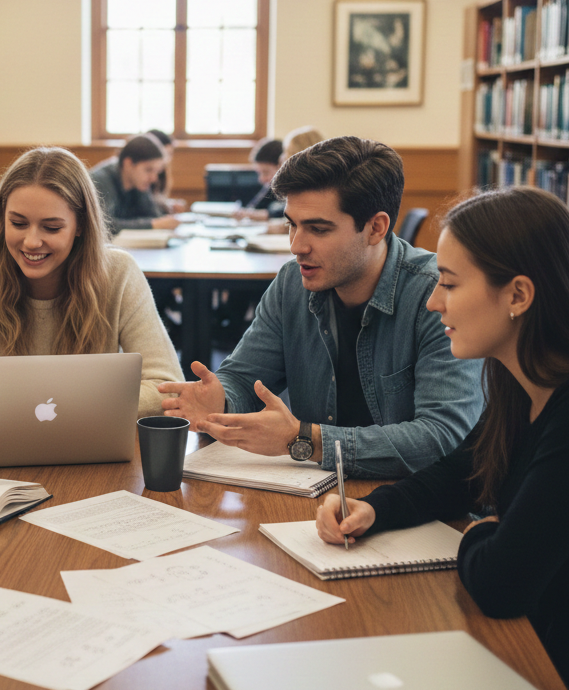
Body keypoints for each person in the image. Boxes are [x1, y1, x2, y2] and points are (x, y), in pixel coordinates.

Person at [316, 186, 569, 690]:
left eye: (450, 283)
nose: (434, 300)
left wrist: (479, 533)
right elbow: (465, 471)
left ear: (518, 296)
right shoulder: (518, 382)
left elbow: (503, 585)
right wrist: (376, 508)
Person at [159, 136, 483, 478]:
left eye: (318, 229)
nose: (296, 246)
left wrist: (304, 440)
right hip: (314, 490)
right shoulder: (291, 283)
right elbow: (243, 378)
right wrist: (221, 399)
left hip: (413, 497)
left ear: (376, 228)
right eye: (292, 224)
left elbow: (440, 437)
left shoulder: (437, 296)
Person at [0, 146, 183, 427]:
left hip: (90, 454)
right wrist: (2, 415)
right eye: (18, 223)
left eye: (52, 227)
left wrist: (48, 413)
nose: (31, 242)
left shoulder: (119, 273)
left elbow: (168, 388)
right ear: (1, 219)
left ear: (81, 225)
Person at [90, 133, 180, 233]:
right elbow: (104, 225)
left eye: (156, 172)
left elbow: (152, 214)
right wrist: (152, 224)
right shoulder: (100, 181)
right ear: (128, 164)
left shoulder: (139, 183)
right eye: (148, 170)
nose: (154, 179)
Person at [235, 136, 284, 220]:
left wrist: (254, 215)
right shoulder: (270, 187)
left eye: (266, 172)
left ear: (281, 166)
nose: (261, 179)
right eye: (259, 173)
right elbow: (254, 208)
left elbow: (284, 212)